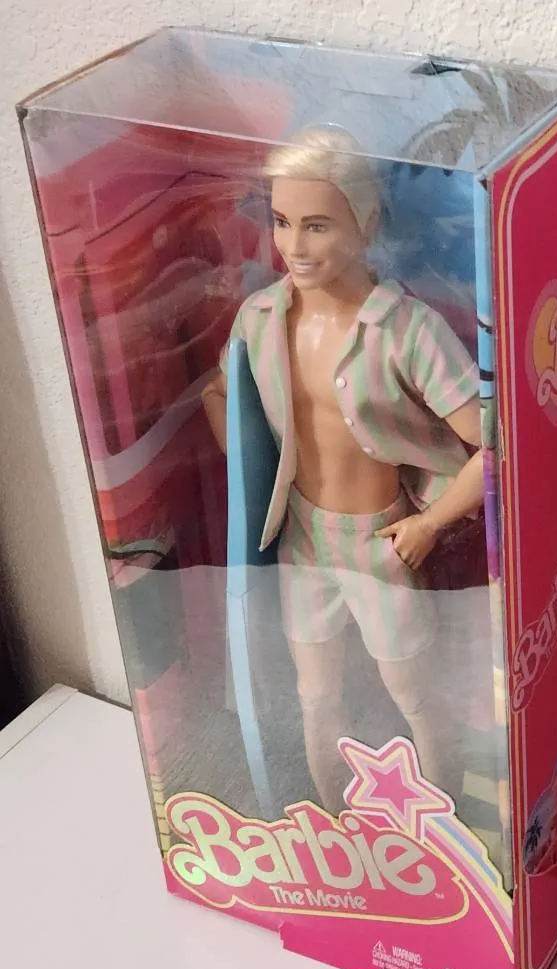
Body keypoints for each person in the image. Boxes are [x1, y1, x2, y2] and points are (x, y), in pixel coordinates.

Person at [202, 127, 483, 813]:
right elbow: (219, 395)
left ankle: (442, 829)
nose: (294, 245)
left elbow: (495, 448)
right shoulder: (261, 317)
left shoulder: (407, 330)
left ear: (368, 222)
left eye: (318, 225)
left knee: (416, 695)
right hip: (301, 537)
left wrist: (430, 525)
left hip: (380, 542)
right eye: (282, 221)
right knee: (316, 695)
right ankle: (331, 825)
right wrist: (250, 477)